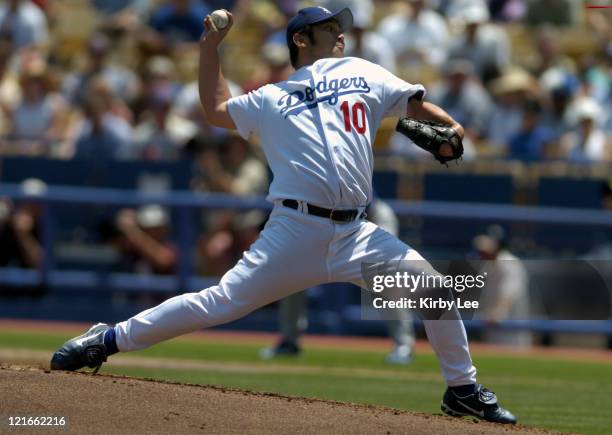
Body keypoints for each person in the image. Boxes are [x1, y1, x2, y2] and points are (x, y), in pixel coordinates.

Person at [50, 6, 516, 424]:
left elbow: (414, 104)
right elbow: (215, 110)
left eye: (340, 27)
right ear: (300, 39)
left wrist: (449, 125)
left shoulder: (360, 69)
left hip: (357, 233)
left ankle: (462, 390)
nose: (340, 34)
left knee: (433, 289)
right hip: (295, 231)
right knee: (218, 303)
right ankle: (107, 340)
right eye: (330, 27)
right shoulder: (271, 97)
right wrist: (210, 47)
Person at [260, 199, 416, 365]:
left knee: (385, 277)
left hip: (371, 217)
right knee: (293, 273)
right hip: (327, 221)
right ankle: (289, 342)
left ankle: (403, 345)